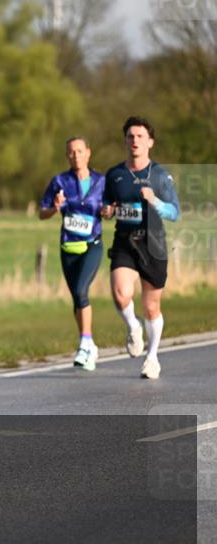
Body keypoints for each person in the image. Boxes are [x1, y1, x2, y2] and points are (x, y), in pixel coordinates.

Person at [100, 116, 180, 379]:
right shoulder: (115, 174)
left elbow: (175, 212)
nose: (135, 141)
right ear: (125, 141)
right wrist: (108, 211)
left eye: (140, 136)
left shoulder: (159, 175)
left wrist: (155, 200)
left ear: (150, 142)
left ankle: (153, 356)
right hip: (125, 241)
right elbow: (107, 206)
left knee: (151, 307)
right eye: (130, 136)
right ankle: (133, 327)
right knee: (121, 293)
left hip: (153, 243)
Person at [39, 137, 107, 371]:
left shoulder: (102, 181)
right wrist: (54, 208)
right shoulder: (60, 181)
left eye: (80, 151)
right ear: (67, 155)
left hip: (92, 244)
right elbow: (42, 212)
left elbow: (109, 210)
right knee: (77, 299)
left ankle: (85, 343)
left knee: (81, 291)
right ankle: (88, 345)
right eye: (71, 152)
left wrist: (108, 210)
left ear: (88, 152)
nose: (76, 155)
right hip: (68, 247)